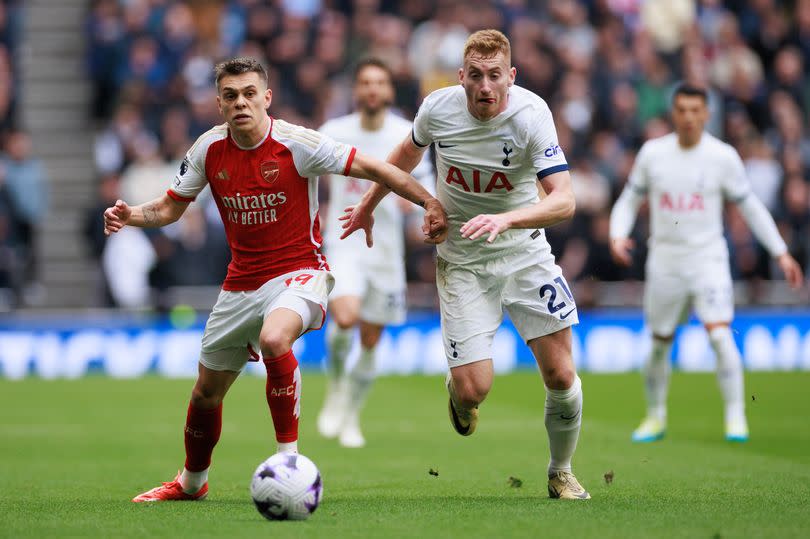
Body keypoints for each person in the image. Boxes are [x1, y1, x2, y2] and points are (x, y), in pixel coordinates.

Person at [103, 57, 447, 502]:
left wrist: (428, 202)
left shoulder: (296, 143)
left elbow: (377, 168)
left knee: (275, 338)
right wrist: (131, 214)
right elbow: (170, 207)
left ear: (267, 98)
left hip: (300, 272)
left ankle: (290, 463)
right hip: (240, 283)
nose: (240, 102)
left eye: (249, 93)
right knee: (206, 394)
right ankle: (191, 482)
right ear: (220, 104)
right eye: (230, 96)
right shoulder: (208, 149)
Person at [341, 30, 589, 500]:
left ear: (510, 76)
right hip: (462, 262)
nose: (485, 86)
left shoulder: (532, 114)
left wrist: (508, 219)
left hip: (525, 254)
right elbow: (404, 157)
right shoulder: (438, 108)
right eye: (475, 76)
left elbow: (565, 203)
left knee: (560, 375)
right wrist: (370, 203)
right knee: (474, 390)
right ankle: (458, 393)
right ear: (461, 77)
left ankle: (561, 472)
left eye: (495, 75)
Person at [609, 84, 804, 444]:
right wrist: (618, 234)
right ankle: (655, 416)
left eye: (695, 110)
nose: (688, 117)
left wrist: (780, 251)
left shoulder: (722, 157)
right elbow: (627, 200)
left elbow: (750, 207)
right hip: (665, 259)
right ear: (673, 113)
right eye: (681, 109)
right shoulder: (653, 154)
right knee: (657, 344)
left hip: (707, 259)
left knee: (719, 335)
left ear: (706, 114)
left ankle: (735, 417)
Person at [315, 58, 434, 448]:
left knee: (370, 338)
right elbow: (309, 177)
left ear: (388, 90)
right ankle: (334, 387)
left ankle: (351, 413)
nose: (372, 89)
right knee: (346, 317)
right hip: (343, 241)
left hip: (385, 251)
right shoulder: (334, 132)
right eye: (365, 82)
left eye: (379, 82)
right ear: (356, 90)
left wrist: (413, 205)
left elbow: (427, 186)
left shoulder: (405, 134)